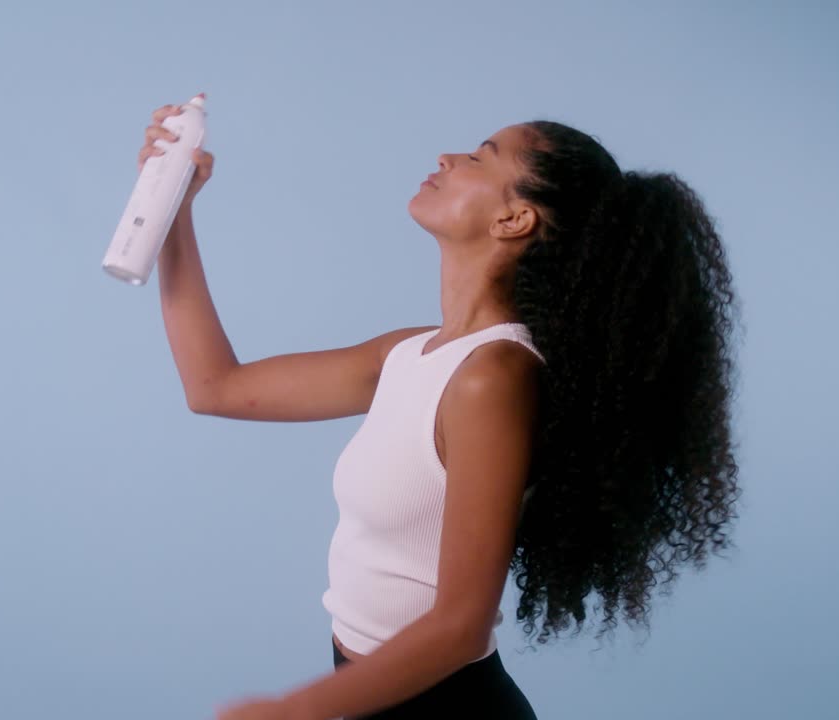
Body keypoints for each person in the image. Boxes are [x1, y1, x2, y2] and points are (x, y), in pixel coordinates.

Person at [138, 100, 742, 720]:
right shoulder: (409, 354)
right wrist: (174, 211)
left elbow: (461, 624)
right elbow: (214, 386)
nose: (446, 158)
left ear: (513, 218)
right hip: (368, 694)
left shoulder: (493, 377)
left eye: (481, 157)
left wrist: (297, 711)